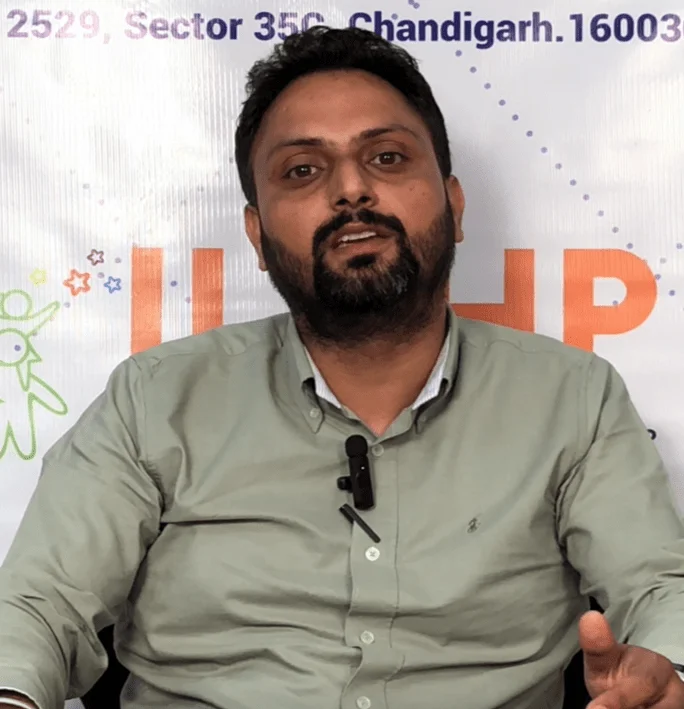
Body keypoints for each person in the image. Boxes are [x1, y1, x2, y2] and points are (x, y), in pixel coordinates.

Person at [0, 25, 683, 709]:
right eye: (303, 170)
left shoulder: (573, 397)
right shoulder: (154, 399)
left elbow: (660, 589)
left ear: (455, 205)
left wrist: (669, 671)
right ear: (257, 237)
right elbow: (37, 605)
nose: (352, 189)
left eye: (387, 157)